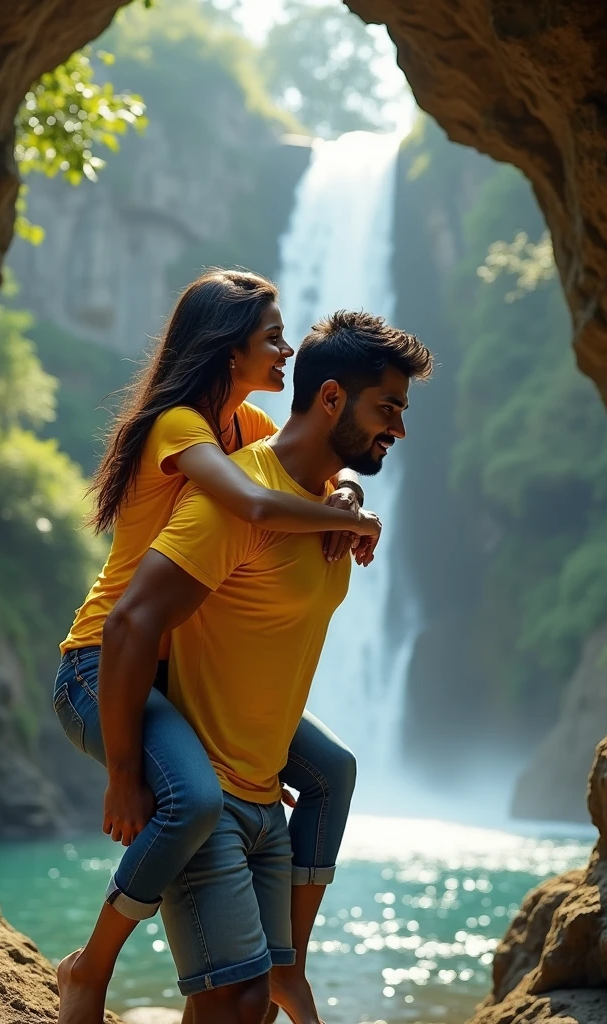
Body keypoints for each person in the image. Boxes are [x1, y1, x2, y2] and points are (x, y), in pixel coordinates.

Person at [53, 270, 383, 1024]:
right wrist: (123, 777)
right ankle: (91, 966)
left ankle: (286, 967)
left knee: (329, 769)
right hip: (102, 662)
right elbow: (256, 503)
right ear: (224, 347)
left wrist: (348, 499)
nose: (287, 349)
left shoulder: (248, 430)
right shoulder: (180, 425)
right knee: (195, 801)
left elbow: (314, 471)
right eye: (271, 337)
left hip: (169, 669)